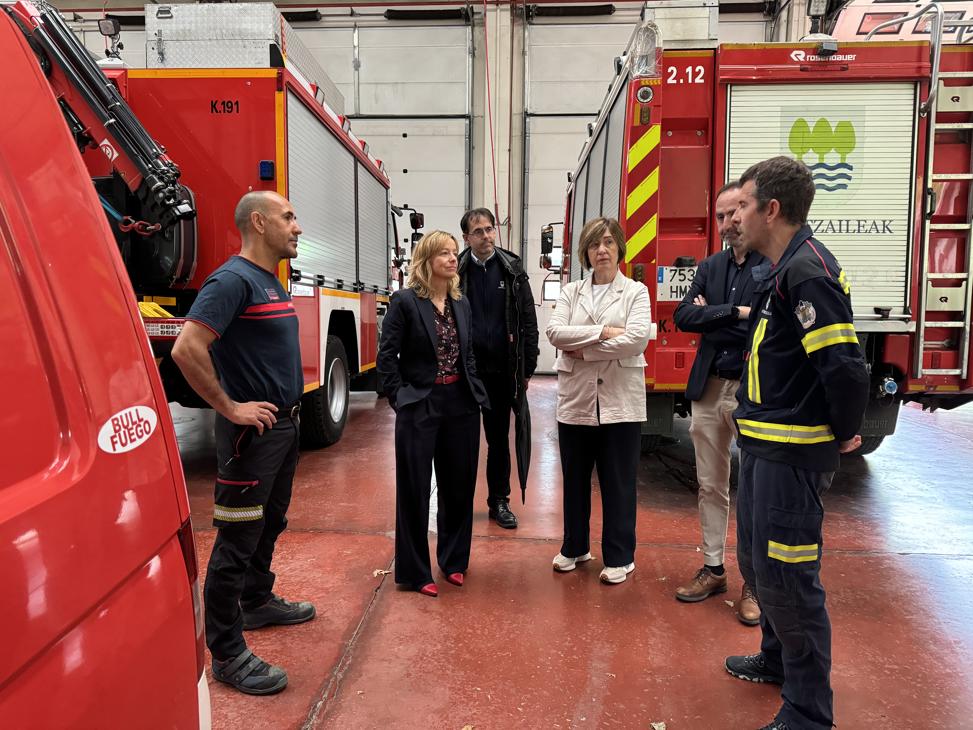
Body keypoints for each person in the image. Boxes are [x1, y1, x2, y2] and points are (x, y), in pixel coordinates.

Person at [723, 157, 869, 730]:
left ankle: (808, 712)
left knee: (788, 579)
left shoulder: (807, 272)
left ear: (772, 209)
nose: (735, 216)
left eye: (743, 205)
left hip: (791, 451)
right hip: (764, 444)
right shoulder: (781, 268)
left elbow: (845, 367)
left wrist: (842, 431)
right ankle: (776, 658)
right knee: (758, 566)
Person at [171, 191, 315, 696]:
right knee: (236, 540)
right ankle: (228, 653)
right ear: (258, 222)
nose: (297, 226)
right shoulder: (232, 280)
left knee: (270, 523)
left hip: (282, 429)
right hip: (248, 439)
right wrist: (230, 407)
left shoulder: (270, 281)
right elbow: (187, 348)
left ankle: (256, 602)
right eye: (288, 217)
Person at [377, 230, 489, 597]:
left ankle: (454, 561)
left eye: (454, 252)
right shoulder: (405, 301)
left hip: (461, 402)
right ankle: (414, 571)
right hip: (420, 402)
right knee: (414, 487)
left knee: (459, 485)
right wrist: (400, 398)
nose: (453, 258)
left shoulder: (461, 302)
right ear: (426, 260)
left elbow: (468, 352)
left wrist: (473, 388)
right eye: (443, 253)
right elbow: (386, 356)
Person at [672, 180, 763, 625]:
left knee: (757, 491)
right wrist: (734, 312)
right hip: (710, 387)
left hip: (752, 390)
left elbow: (767, 323)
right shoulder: (710, 266)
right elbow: (684, 316)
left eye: (735, 213)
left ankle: (755, 583)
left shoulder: (773, 266)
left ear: (752, 211)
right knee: (710, 484)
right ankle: (713, 569)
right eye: (721, 216)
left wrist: (714, 314)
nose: (728, 223)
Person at [545, 217, 652, 584]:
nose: (601, 250)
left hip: (620, 402)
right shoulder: (571, 292)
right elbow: (556, 333)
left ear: (619, 247)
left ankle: (621, 556)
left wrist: (586, 350)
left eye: (608, 242)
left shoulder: (636, 292)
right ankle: (575, 547)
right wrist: (605, 332)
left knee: (618, 481)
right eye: (594, 244)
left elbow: (636, 340)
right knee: (574, 479)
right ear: (585, 252)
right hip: (577, 401)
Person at [458, 207, 539, 529]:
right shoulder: (456, 270)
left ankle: (499, 501)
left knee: (498, 441)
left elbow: (528, 322)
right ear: (467, 237)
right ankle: (459, 502)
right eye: (478, 231)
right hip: (466, 374)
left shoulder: (512, 270)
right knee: (461, 442)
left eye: (489, 229)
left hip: (502, 372)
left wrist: (528, 369)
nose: (486, 236)